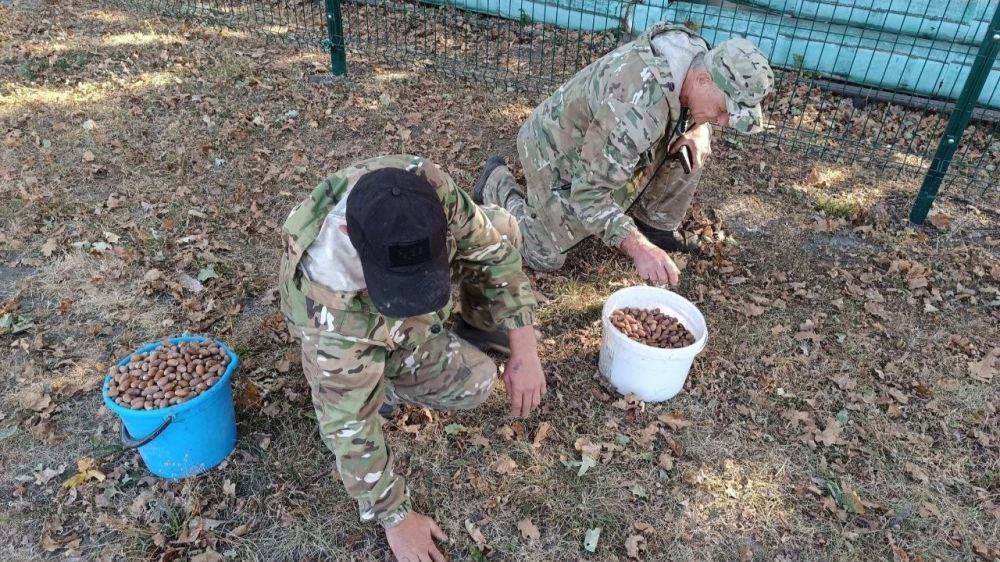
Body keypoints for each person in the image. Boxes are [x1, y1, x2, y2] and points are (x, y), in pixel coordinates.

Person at [278, 155, 545, 562]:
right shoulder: (331, 310)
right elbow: (347, 426)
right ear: (351, 236)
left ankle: (478, 322)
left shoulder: (424, 186)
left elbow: (491, 251)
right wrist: (396, 519)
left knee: (505, 228)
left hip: (386, 282)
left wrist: (525, 348)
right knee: (475, 380)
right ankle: (382, 382)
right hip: (354, 327)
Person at [473, 23, 774, 285]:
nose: (723, 121)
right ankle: (496, 183)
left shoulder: (697, 57)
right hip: (553, 148)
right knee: (545, 254)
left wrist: (697, 129)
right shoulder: (634, 112)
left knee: (692, 147)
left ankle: (655, 223)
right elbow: (587, 195)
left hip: (606, 138)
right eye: (722, 110)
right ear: (703, 80)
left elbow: (685, 102)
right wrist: (638, 248)